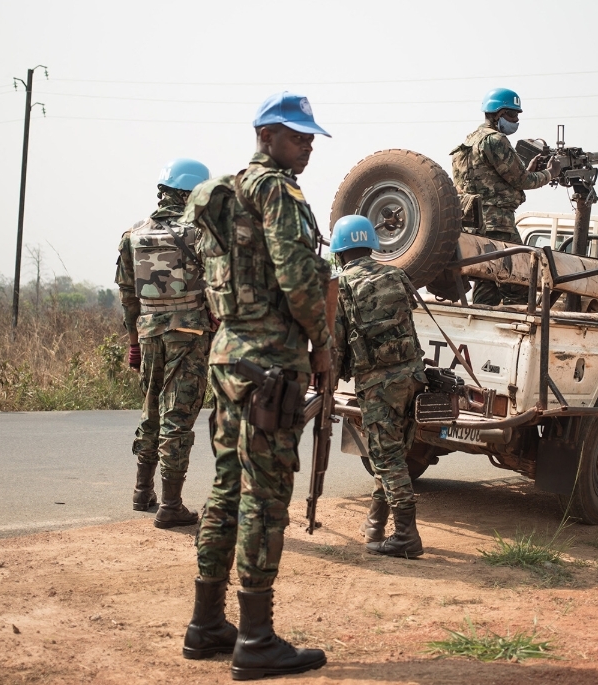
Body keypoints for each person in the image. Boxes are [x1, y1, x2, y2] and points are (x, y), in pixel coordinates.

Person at [182, 92, 330, 680]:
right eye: (298, 136)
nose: (308, 145)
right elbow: (296, 276)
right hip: (271, 362)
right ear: (266, 135)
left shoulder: (230, 191)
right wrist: (321, 340)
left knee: (225, 488)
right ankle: (257, 639)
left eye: (311, 137)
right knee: (264, 497)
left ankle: (206, 624)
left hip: (229, 354)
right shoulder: (278, 190)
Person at [115, 158, 212, 528]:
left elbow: (128, 297)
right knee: (178, 418)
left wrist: (134, 342)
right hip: (188, 335)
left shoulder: (133, 234)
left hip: (149, 331)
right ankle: (171, 506)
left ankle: (143, 492)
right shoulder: (200, 233)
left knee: (151, 409)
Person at [329, 215, 428, 558]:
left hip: (377, 383)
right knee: (394, 453)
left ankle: (406, 536)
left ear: (339, 252)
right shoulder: (396, 273)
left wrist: (331, 382)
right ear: (370, 244)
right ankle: (375, 522)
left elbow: (336, 344)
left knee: (386, 459)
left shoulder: (341, 284)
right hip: (413, 377)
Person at [450, 87, 561, 306]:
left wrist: (527, 169)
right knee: (519, 281)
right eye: (511, 115)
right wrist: (550, 173)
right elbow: (523, 181)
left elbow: (489, 180)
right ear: (497, 113)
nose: (516, 120)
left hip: (474, 225)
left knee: (486, 283)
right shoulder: (495, 140)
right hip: (498, 225)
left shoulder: (468, 142)